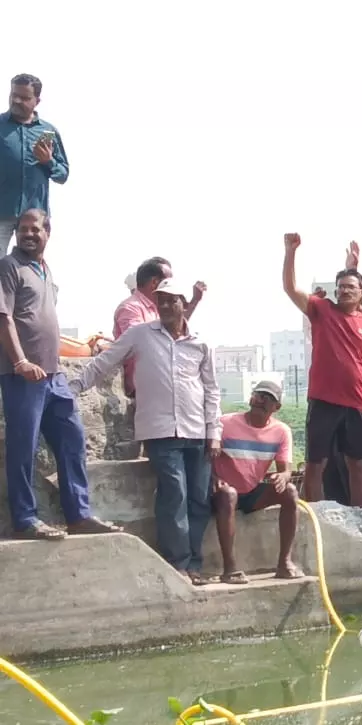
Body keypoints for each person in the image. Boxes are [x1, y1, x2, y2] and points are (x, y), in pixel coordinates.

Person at [70, 276, 219, 583]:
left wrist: (214, 433)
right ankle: (178, 564)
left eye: (171, 300)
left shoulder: (201, 342)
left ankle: (194, 563)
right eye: (160, 300)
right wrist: (72, 386)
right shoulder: (141, 335)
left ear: (183, 303)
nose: (164, 305)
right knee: (174, 493)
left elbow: (212, 391)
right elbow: (105, 361)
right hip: (160, 430)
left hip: (197, 431)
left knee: (199, 499)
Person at [0, 210, 120, 540]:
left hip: (54, 376)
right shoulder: (9, 267)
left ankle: (79, 515)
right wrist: (21, 361)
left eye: (34, 229)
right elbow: (4, 317)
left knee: (72, 440)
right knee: (22, 447)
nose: (27, 234)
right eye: (22, 229)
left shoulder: (44, 270)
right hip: (22, 375)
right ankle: (25, 519)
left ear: (46, 233)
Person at [281, 233, 362, 507]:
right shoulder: (321, 310)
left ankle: (358, 512)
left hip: (356, 405)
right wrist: (290, 251)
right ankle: (318, 513)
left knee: (358, 462)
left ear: (361, 292)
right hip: (323, 401)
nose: (344, 291)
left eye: (350, 286)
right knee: (316, 463)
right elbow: (291, 287)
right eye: (340, 286)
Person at [209, 380, 303, 584]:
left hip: (252, 492)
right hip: (223, 493)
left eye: (267, 398)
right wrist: (213, 478)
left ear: (276, 407)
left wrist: (283, 477)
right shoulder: (225, 423)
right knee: (229, 494)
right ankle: (230, 568)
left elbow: (285, 470)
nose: (260, 400)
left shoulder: (281, 431)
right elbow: (206, 457)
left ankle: (284, 563)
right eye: (258, 395)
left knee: (290, 492)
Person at [112, 256, 206, 397]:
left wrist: (194, 301)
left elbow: (175, 329)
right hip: (146, 389)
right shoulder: (131, 308)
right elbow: (141, 343)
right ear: (155, 282)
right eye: (168, 281)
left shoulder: (157, 307)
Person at [0, 75, 68, 249]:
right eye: (13, 95)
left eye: (24, 98)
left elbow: (63, 174)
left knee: (28, 271)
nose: (16, 100)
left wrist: (49, 161)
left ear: (37, 101)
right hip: (2, 212)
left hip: (33, 219)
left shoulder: (47, 131)